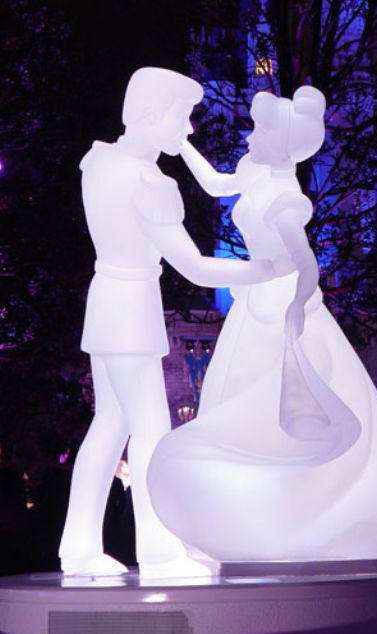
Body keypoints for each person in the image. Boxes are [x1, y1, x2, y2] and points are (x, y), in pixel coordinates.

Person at [147, 86, 377, 562]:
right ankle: (253, 521)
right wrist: (183, 147)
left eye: (259, 130)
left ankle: (305, 516)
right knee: (241, 403)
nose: (249, 137)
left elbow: (306, 265)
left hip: (279, 301)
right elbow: (217, 185)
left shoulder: (285, 198)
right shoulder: (254, 169)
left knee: (282, 408)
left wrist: (298, 306)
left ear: (281, 145)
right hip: (252, 304)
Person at [59, 68, 284, 578]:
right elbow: (195, 266)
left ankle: (79, 545)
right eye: (183, 116)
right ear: (154, 114)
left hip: (106, 299)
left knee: (109, 425)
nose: (189, 128)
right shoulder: (149, 183)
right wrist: (265, 269)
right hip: (132, 305)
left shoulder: (99, 162)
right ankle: (159, 552)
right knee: (149, 429)